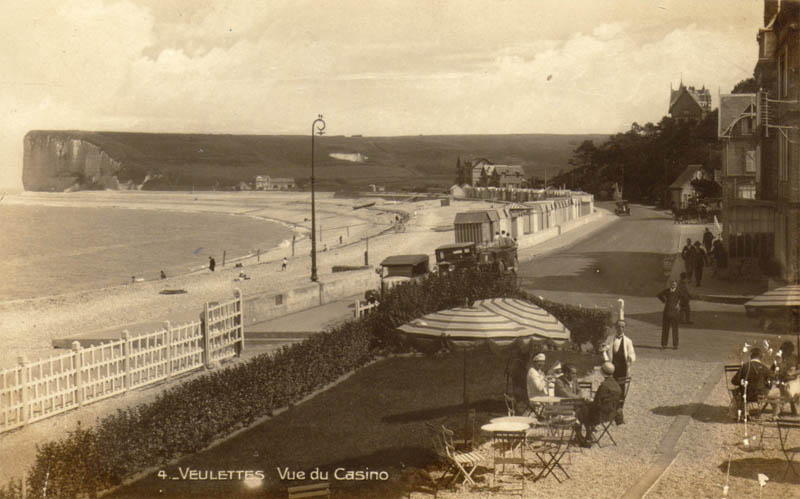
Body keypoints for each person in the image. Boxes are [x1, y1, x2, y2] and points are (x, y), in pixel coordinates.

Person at [575, 362, 622, 447]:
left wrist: (588, 401)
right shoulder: (617, 385)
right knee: (585, 410)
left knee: (580, 411)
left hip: (601, 415)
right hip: (611, 414)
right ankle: (588, 434)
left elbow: (597, 403)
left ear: (602, 372)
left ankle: (583, 436)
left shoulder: (604, 386)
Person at [602, 319, 635, 424]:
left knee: (621, 391)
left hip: (623, 370)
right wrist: (605, 355)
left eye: (622, 327)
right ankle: (610, 412)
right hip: (611, 369)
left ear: (625, 328)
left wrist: (630, 357)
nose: (620, 328)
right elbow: (604, 349)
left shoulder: (628, 341)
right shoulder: (610, 338)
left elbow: (632, 353)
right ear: (615, 327)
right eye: (618, 326)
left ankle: (619, 414)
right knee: (610, 390)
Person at [731, 348, 772, 417]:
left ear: (750, 356)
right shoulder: (765, 368)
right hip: (761, 395)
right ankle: (774, 414)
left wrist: (741, 381)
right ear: (761, 357)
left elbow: (734, 381)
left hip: (747, 394)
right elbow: (770, 383)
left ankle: (742, 412)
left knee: (737, 392)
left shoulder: (745, 366)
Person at [657, 280, 683, 349]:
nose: (673, 285)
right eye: (672, 284)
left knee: (675, 329)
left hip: (675, 313)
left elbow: (684, 298)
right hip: (667, 312)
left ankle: (675, 345)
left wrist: (679, 305)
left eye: (675, 284)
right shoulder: (667, 291)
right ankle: (664, 344)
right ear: (670, 285)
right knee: (665, 329)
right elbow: (659, 295)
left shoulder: (679, 292)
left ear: (676, 285)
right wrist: (664, 301)